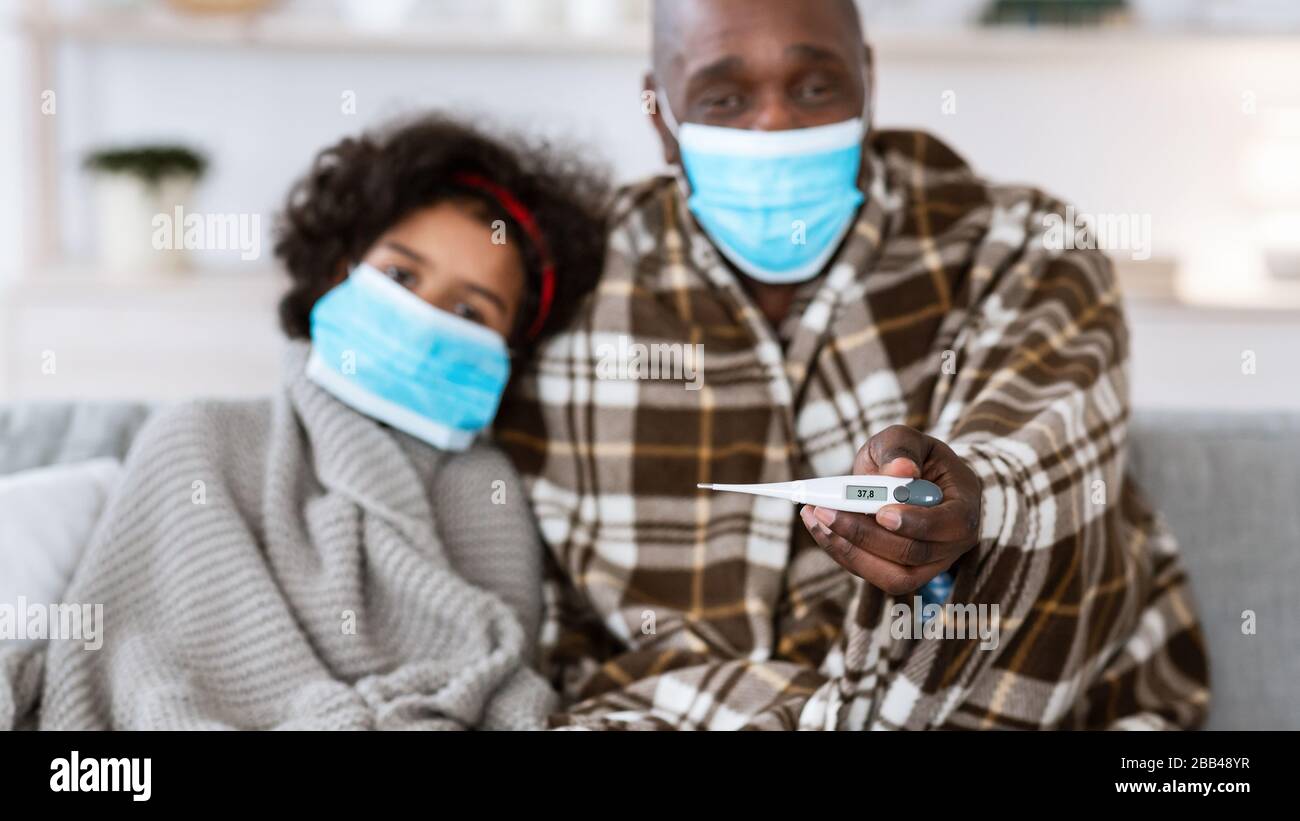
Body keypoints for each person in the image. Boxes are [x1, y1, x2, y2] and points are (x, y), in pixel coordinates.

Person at [496, 0, 1210, 729]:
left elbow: (1047, 455)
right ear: (661, 115)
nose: (773, 123)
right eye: (724, 98)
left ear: (866, 83)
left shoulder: (1021, 246)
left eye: (813, 88)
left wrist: (972, 507)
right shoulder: (573, 283)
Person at [0, 114, 608, 730]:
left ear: (509, 351)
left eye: (469, 310)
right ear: (339, 271)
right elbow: (137, 644)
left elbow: (490, 674)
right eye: (400, 275)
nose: (422, 316)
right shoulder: (200, 437)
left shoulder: (488, 488)